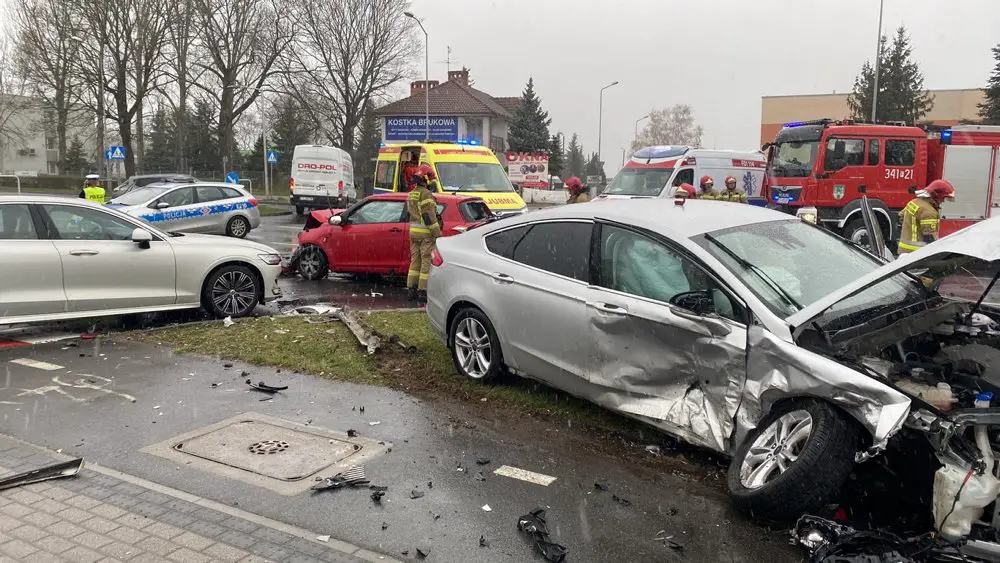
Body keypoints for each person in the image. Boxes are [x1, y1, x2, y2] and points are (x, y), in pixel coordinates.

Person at [406, 165, 442, 304]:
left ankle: (411, 290)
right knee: (426, 261)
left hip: (413, 232)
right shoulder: (426, 194)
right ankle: (423, 292)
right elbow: (428, 216)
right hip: (425, 233)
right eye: (431, 179)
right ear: (425, 179)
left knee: (415, 261)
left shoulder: (412, 193)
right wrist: (437, 234)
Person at [898, 179, 955, 254]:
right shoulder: (929, 212)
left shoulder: (914, 202)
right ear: (936, 196)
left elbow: (900, 217)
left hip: (903, 250)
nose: (943, 201)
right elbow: (929, 237)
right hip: (917, 253)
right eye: (943, 198)